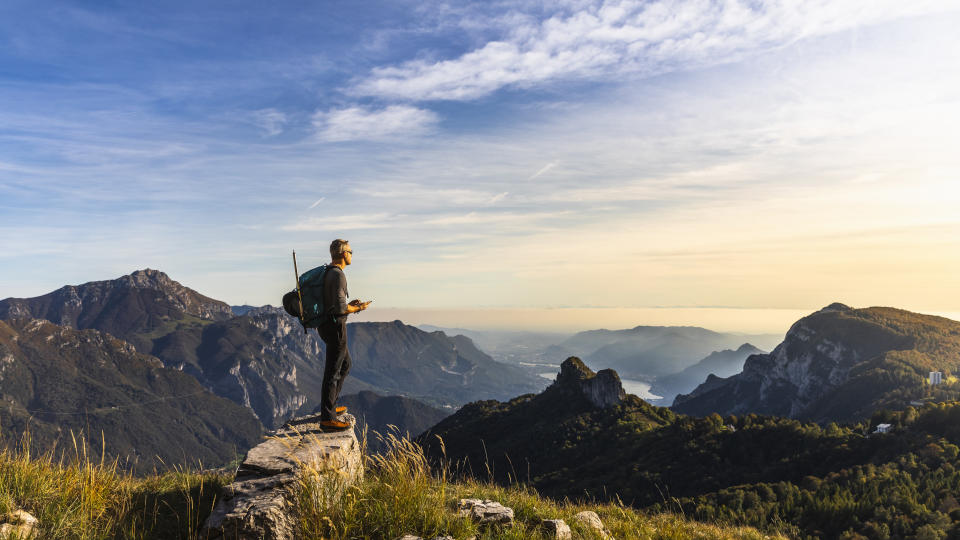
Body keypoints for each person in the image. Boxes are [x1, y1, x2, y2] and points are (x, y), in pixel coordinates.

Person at [318, 239, 371, 430]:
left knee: (345, 364)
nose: (351, 254)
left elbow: (332, 303)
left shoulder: (327, 273)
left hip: (325, 325)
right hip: (335, 327)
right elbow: (340, 308)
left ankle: (330, 407)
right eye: (350, 251)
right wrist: (358, 308)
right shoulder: (338, 275)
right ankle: (327, 418)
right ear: (342, 254)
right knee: (333, 371)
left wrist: (352, 306)